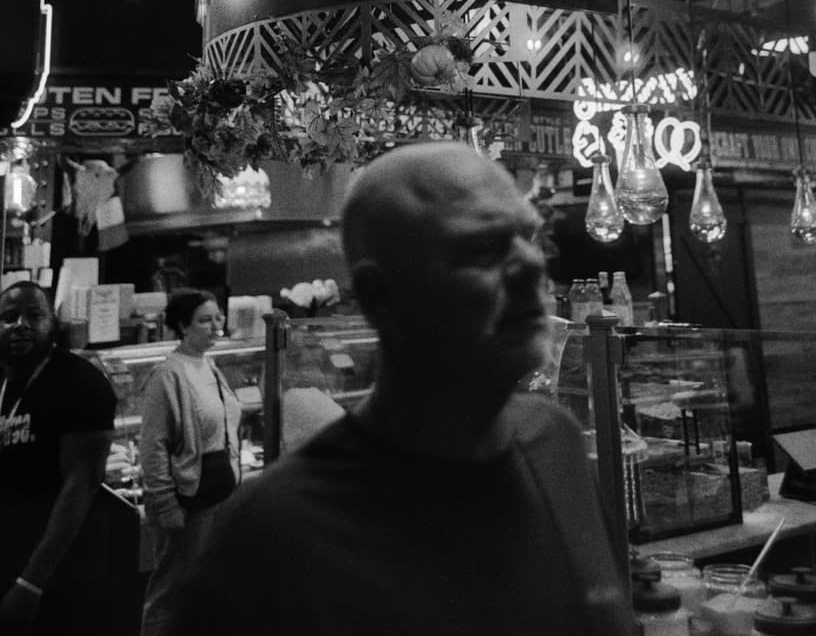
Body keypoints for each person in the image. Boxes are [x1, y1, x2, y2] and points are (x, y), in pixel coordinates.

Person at [165, 142, 636, 636]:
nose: (532, 267)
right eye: (481, 248)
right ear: (380, 296)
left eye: (528, 237)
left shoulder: (555, 444)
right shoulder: (270, 537)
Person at [0, 279, 116, 635]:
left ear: (53, 324)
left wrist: (31, 583)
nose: (20, 325)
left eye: (34, 316)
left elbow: (80, 485)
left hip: (60, 570)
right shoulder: (4, 380)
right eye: (9, 316)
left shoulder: (79, 381)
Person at [139, 289, 242, 636]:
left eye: (218, 318)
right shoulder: (167, 375)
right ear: (183, 325)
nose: (215, 326)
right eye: (205, 320)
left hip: (218, 493)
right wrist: (166, 504)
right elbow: (152, 446)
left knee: (204, 589)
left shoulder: (209, 365)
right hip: (187, 501)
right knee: (170, 592)